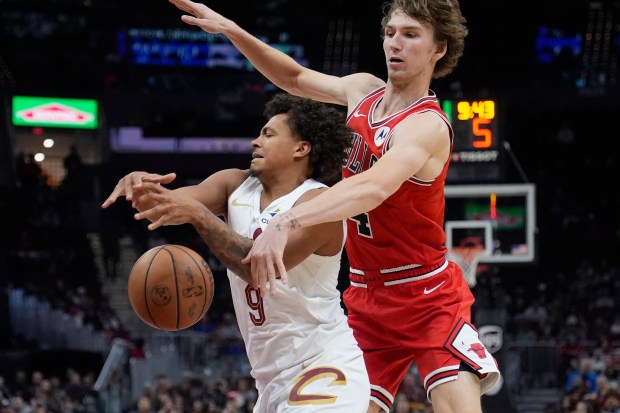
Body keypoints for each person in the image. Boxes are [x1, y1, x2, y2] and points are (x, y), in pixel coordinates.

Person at [165, 0, 500, 412]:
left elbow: (374, 187)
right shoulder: (363, 89)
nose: (395, 43)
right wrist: (233, 30)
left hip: (426, 295)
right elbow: (293, 76)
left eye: (411, 35)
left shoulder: (426, 126)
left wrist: (287, 220)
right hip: (364, 296)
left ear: (439, 49)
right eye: (391, 32)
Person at [102, 93, 370, 412]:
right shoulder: (234, 184)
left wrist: (201, 216)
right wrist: (141, 189)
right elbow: (168, 204)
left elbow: (258, 270)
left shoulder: (317, 206)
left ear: (302, 148)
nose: (255, 141)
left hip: (322, 368)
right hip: (271, 382)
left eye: (268, 135)